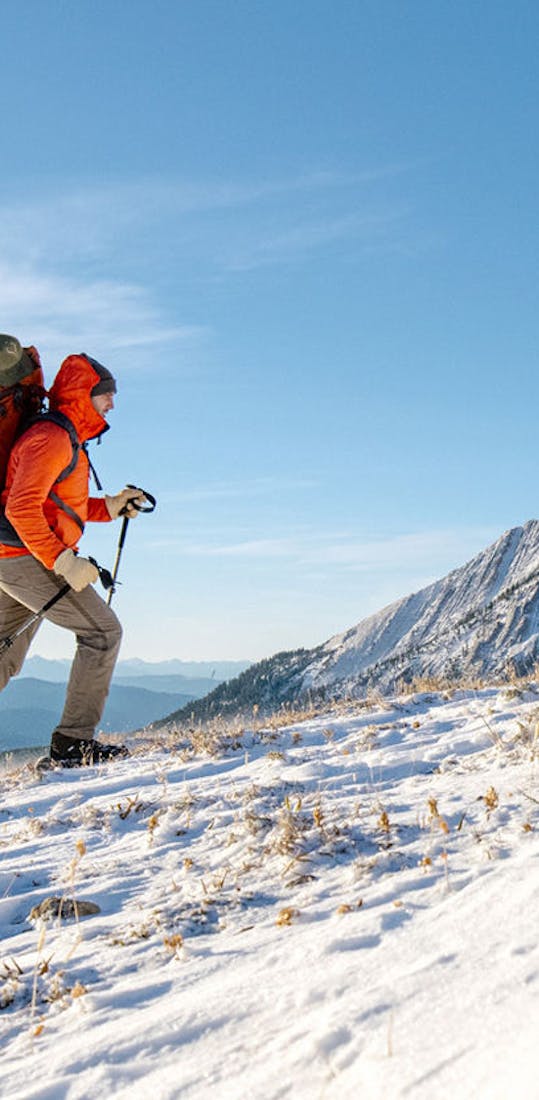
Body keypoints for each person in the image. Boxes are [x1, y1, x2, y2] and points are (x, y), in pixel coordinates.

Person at [0, 344, 145, 766]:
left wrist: (112, 506)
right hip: (23, 557)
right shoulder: (51, 438)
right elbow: (20, 509)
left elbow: (59, 506)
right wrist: (62, 562)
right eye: (106, 393)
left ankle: (71, 743)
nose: (112, 402)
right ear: (85, 394)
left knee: (4, 653)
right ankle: (72, 745)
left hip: (12, 556)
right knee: (103, 633)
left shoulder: (66, 437)